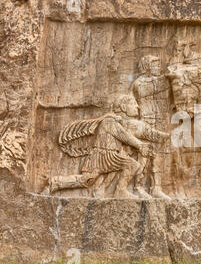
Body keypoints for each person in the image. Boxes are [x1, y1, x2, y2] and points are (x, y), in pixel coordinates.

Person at [47, 95, 169, 199]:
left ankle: (56, 183)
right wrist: (140, 145)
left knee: (87, 180)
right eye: (133, 104)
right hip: (106, 155)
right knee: (132, 165)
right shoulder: (110, 121)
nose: (137, 107)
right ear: (123, 107)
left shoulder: (113, 121)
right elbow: (125, 136)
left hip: (99, 156)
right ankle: (120, 191)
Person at [130, 55, 171, 199]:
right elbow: (148, 91)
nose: (158, 68)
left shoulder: (161, 82)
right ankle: (138, 186)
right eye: (154, 65)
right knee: (144, 155)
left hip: (160, 120)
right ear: (147, 67)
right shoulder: (139, 83)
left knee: (158, 156)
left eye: (159, 65)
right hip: (145, 121)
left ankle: (156, 188)